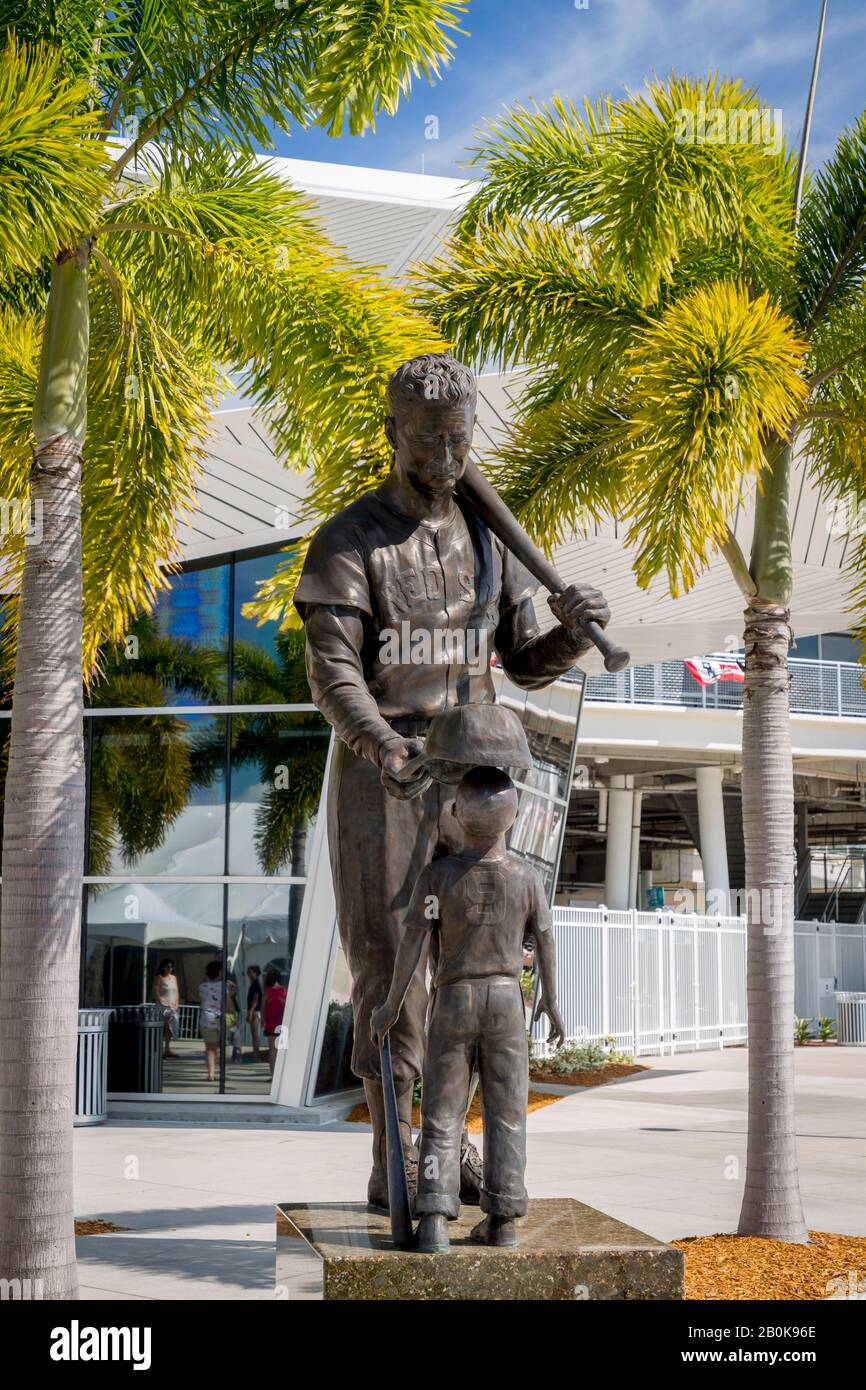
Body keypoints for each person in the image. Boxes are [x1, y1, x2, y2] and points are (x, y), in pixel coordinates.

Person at [294, 353, 608, 1211]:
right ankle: (392, 1151)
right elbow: (334, 675)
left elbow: (522, 662)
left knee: (475, 975)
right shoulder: (348, 542)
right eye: (429, 438)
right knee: (393, 977)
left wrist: (573, 635)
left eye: (461, 439)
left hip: (476, 778)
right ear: (393, 431)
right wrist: (379, 747)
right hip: (383, 774)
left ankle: (446, 1149)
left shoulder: (489, 538)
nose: (445, 454)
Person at [371, 766, 566, 1253]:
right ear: (515, 817)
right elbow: (544, 938)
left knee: (442, 1113)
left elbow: (412, 945)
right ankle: (502, 1220)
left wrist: (391, 1005)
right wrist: (552, 1000)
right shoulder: (526, 878)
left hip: (454, 998)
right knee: (508, 1114)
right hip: (505, 1000)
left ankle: (435, 1217)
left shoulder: (437, 875)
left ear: (456, 814)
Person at [199, 961, 223, 1083]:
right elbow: (228, 1004)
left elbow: (202, 1001)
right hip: (220, 1019)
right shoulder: (224, 986)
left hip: (206, 1019)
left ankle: (211, 1073)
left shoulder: (202, 986)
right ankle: (218, 1071)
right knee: (218, 1048)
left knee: (209, 1048)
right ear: (220, 972)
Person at [152, 958, 180, 1060]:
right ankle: (159, 1049)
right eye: (168, 966)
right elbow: (155, 991)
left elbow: (176, 992)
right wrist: (160, 1001)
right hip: (162, 1006)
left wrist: (177, 1004)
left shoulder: (174, 978)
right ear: (163, 967)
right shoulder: (159, 977)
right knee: (163, 1027)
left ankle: (167, 1049)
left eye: (171, 967)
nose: (170, 969)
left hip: (173, 1006)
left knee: (170, 1028)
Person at [263, 968, 287, 1077]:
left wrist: (263, 1021)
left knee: (272, 1050)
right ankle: (280, 1075)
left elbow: (263, 1008)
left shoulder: (267, 992)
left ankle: (273, 1075)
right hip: (282, 1023)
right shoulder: (284, 991)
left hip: (270, 1024)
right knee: (281, 1049)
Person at [246, 965, 263, 1062]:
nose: (248, 974)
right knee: (254, 1034)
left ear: (255, 973)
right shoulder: (254, 983)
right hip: (254, 1010)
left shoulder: (256, 983)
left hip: (255, 1011)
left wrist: (250, 1011)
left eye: (250, 972)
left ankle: (256, 1055)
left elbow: (256, 999)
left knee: (255, 1034)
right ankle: (255, 1054)